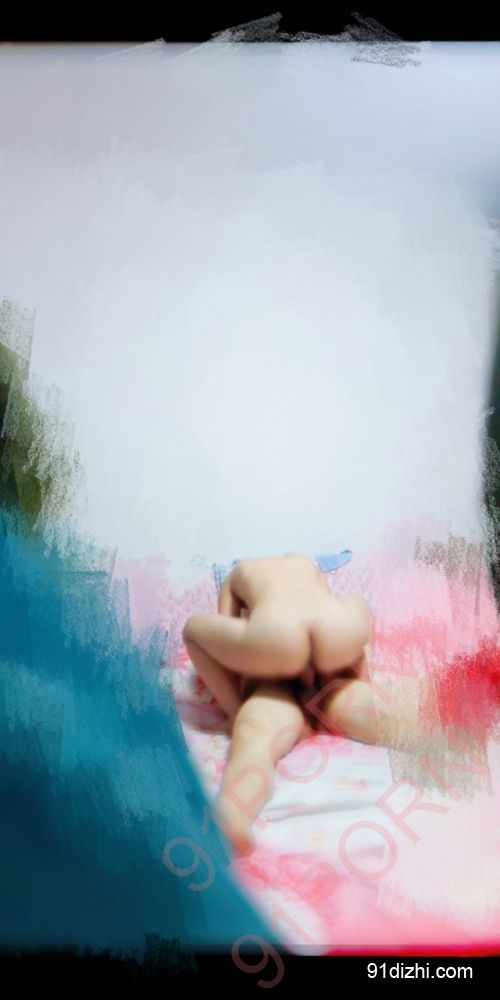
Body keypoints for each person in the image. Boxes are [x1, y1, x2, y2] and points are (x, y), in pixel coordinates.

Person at [182, 552, 375, 853]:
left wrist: (238, 708)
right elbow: (326, 610)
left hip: (276, 649)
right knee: (358, 701)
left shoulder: (238, 574)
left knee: (254, 735)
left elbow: (228, 639)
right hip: (335, 638)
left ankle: (233, 814)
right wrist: (357, 681)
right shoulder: (304, 564)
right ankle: (435, 731)